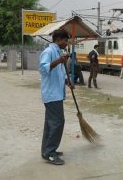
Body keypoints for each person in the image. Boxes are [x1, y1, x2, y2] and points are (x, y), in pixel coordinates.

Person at [39, 29, 73, 165]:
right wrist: (59, 60)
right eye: (65, 40)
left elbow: (61, 72)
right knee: (58, 122)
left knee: (50, 124)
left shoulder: (58, 52)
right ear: (58, 39)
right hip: (51, 95)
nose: (67, 43)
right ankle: (50, 153)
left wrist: (67, 81)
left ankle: (47, 150)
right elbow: (42, 69)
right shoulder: (49, 52)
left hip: (56, 94)